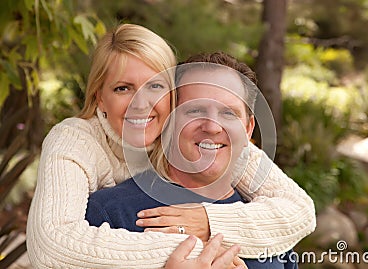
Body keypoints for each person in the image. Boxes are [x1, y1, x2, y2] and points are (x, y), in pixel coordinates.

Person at [26, 24, 315, 268]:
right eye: (122, 88)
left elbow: (299, 210)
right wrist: (198, 252)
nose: (141, 104)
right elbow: (53, 245)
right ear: (99, 97)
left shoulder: (218, 145)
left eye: (155, 86)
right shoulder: (77, 141)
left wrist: (209, 222)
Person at [85, 52, 297, 269]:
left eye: (228, 113)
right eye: (195, 110)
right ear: (169, 120)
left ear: (247, 129)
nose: (212, 127)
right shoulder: (109, 214)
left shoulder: (270, 226)